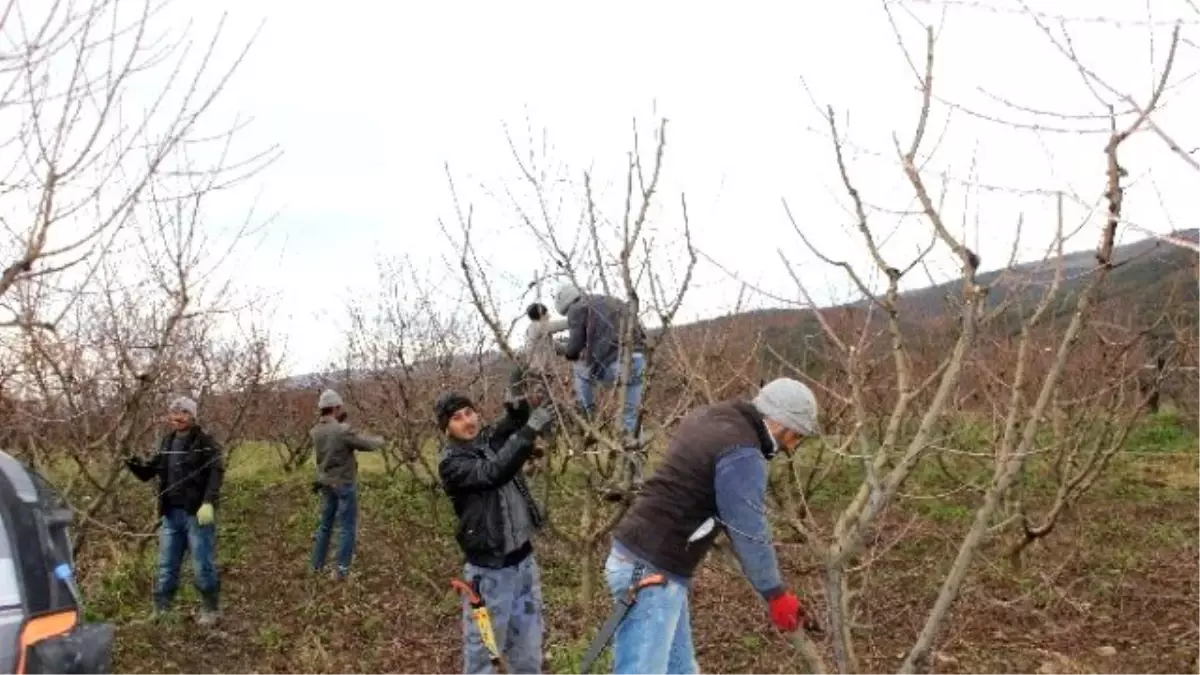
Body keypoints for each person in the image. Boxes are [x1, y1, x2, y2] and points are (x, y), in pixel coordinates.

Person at [601, 378, 821, 673]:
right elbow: (749, 529)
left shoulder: (709, 417)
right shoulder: (744, 454)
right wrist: (776, 594)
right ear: (782, 424)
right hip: (652, 571)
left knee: (682, 670)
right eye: (796, 437)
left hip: (648, 561)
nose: (791, 447)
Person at [436, 391, 555, 675]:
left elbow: (507, 428)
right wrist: (529, 430)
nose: (467, 421)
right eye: (456, 417)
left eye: (469, 412)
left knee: (528, 653)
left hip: (525, 566)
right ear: (446, 429)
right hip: (488, 576)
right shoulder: (452, 464)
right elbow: (494, 471)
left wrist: (519, 409)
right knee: (483, 657)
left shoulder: (490, 441)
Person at [125, 396, 225, 625]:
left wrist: (209, 501)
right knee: (166, 566)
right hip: (171, 514)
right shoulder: (167, 442)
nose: (178, 417)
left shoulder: (205, 442)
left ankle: (211, 610)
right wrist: (130, 460)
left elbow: (216, 472)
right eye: (174, 413)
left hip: (197, 515)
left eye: (183, 413)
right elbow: (148, 472)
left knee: (202, 565)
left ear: (193, 415)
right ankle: (162, 610)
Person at [553, 283, 647, 442]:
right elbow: (641, 331)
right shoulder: (614, 301)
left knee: (579, 367)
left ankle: (588, 415)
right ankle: (636, 456)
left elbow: (574, 349)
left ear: (567, 304)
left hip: (613, 364)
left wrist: (563, 350)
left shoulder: (576, 309)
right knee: (631, 415)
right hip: (638, 360)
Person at [309, 388, 385, 581]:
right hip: (343, 484)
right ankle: (342, 570)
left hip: (326, 483)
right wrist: (383, 439)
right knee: (347, 527)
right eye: (340, 407)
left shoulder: (316, 431)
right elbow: (366, 444)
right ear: (335, 408)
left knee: (325, 526)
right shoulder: (342, 430)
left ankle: (316, 566)